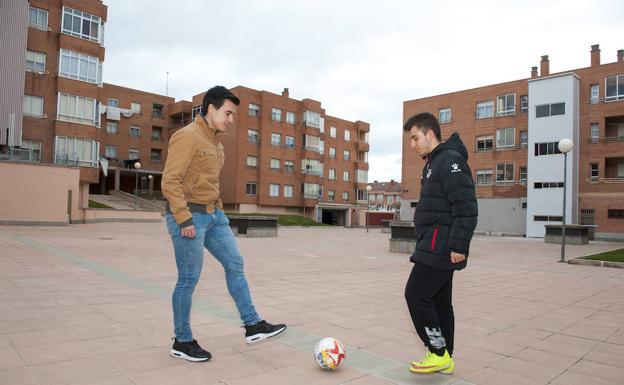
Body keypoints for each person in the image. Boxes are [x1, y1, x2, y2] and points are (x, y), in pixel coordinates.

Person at [162, 86, 286, 362]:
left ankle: (253, 325)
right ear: (211, 108)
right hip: (189, 217)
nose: (231, 119)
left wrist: (218, 211)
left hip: (214, 216)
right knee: (188, 279)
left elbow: (209, 182)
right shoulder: (187, 136)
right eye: (228, 113)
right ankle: (182, 340)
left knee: (235, 264)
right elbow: (170, 181)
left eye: (233, 114)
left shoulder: (215, 143)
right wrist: (183, 218)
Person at [403, 112, 478, 374]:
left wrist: (459, 245)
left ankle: (437, 352)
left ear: (429, 134)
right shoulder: (434, 163)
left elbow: (465, 206)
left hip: (441, 244)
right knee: (439, 301)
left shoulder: (450, 161)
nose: (412, 145)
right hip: (434, 241)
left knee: (415, 294)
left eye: (415, 138)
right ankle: (445, 355)